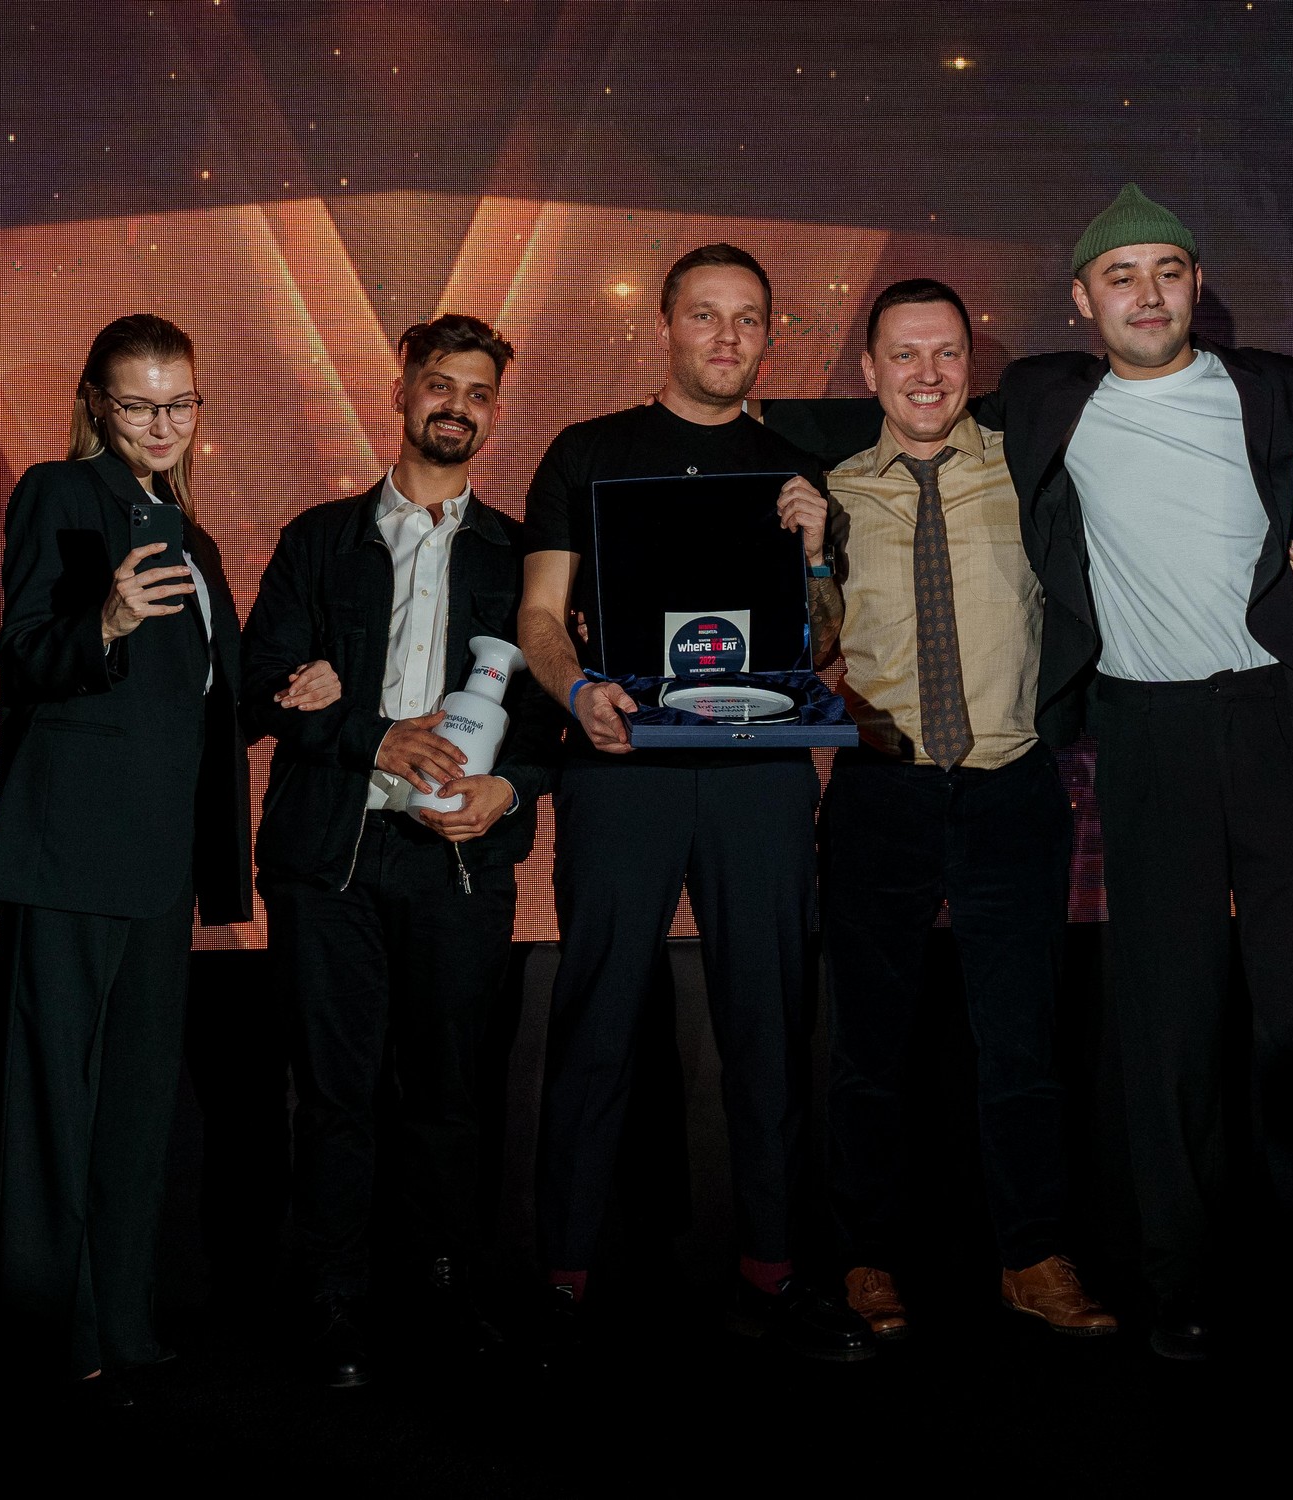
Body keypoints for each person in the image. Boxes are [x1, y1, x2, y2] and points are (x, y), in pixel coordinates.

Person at [987, 185, 1293, 1359]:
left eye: (1166, 271)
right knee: (1167, 1022)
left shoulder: (1280, 387)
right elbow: (902, 409)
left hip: (1281, 724)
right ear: (1083, 300)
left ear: (1196, 287)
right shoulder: (1044, 399)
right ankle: (1179, 1281)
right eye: (1120, 276)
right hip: (1148, 736)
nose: (1147, 294)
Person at [517, 243, 872, 1363]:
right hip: (620, 763)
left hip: (760, 772)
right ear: (664, 324)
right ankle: (563, 1277)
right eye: (706, 315)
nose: (727, 337)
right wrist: (576, 692)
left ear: (770, 336)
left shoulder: (796, 470)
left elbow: (824, 646)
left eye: (749, 319)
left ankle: (774, 1271)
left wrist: (817, 551)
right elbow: (539, 615)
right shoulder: (587, 452)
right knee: (595, 1018)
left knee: (769, 1019)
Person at [234, 314, 558, 1388]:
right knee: (334, 1095)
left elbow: (557, 720)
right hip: (328, 860)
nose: (456, 405)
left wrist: (511, 789)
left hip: (459, 862)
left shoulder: (522, 554)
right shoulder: (318, 538)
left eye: (477, 391)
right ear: (402, 392)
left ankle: (446, 1293)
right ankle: (333, 1299)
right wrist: (372, 734)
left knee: (450, 1095)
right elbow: (261, 686)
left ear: (495, 413)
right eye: (439, 384)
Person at [813, 281, 1116, 1345]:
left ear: (971, 365)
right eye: (905, 354)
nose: (927, 373)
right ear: (870, 371)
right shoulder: (831, 495)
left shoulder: (1029, 472)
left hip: (1011, 791)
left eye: (946, 352)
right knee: (869, 1047)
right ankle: (865, 1257)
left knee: (1022, 1044)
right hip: (880, 794)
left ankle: (1032, 1257)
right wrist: (803, 558)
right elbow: (809, 650)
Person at [0, 313, 254, 1406]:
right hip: (72, 852)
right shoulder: (59, 491)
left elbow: (193, 707)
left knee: (136, 1107)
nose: (163, 424)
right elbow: (25, 648)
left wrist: (284, 697)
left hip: (162, 862)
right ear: (95, 402)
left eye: (180, 403)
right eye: (138, 404)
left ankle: (123, 1322)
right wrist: (104, 620)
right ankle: (51, 1332)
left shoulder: (193, 535)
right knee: (55, 1107)